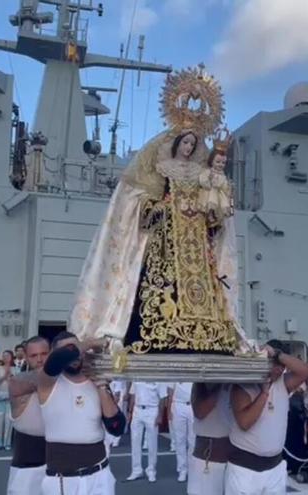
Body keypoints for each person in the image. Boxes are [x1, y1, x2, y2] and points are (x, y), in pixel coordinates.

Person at [68, 67, 247, 355]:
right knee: (160, 281)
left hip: (196, 240)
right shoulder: (162, 168)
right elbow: (143, 198)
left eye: (193, 142)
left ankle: (211, 333)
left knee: (205, 283)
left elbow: (211, 200)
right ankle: (159, 331)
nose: (189, 147)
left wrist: (212, 209)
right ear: (176, 143)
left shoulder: (202, 172)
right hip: (168, 237)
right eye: (185, 142)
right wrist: (160, 206)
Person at [36, 332, 125, 494]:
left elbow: (116, 426)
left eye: (78, 349)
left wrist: (101, 386)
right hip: (63, 479)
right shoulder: (47, 382)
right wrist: (96, 342)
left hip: (99, 476)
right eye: (71, 349)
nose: (76, 355)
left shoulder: (94, 381)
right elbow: (59, 359)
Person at [225, 343, 308, 495]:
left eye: (282, 365)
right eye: (274, 363)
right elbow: (245, 423)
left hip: (274, 470)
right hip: (245, 471)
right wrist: (264, 393)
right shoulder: (243, 386)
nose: (279, 369)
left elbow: (306, 371)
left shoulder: (283, 383)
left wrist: (277, 354)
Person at [6, 336, 50, 495]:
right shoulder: (19, 381)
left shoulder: (61, 381)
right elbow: (41, 377)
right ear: (25, 357)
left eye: (44, 354)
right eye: (33, 355)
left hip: (58, 464)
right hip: (27, 467)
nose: (39, 359)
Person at [189, 383, 232, 494]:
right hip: (207, 459)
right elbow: (200, 412)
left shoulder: (236, 383)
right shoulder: (201, 382)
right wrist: (221, 384)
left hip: (232, 460)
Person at [127, 381, 168, 482]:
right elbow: (133, 394)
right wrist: (129, 411)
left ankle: (151, 470)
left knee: (152, 443)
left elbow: (163, 398)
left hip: (152, 410)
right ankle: (136, 470)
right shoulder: (137, 376)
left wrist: (160, 415)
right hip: (137, 409)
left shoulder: (157, 377)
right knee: (135, 441)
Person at [170, 382, 195, 482]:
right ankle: (182, 469)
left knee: (192, 441)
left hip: (192, 405)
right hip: (178, 405)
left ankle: (192, 468)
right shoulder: (176, 370)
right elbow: (170, 391)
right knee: (180, 440)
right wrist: (169, 412)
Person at [0, 350, 15, 450]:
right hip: (0, 396)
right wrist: (4, 377)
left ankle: (7, 442)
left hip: (11, 398)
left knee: (9, 421)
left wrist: (11, 379)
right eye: (4, 356)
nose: (6, 358)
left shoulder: (16, 369)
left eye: (8, 356)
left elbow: (18, 383)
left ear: (12, 357)